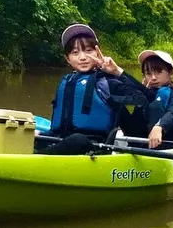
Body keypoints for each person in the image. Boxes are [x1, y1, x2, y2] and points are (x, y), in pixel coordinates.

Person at [37, 23, 148, 155]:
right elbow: (56, 129)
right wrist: (39, 135)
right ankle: (36, 155)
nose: (83, 57)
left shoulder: (107, 82)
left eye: (88, 51)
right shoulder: (67, 81)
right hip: (61, 141)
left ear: (98, 52)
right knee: (33, 135)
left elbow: (146, 97)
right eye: (75, 52)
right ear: (67, 59)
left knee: (78, 140)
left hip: (93, 146)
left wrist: (117, 71)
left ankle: (35, 158)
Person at [137, 49, 173, 149]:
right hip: (143, 142)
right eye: (148, 73)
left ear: (170, 73)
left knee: (156, 105)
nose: (153, 77)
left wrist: (160, 126)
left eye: (159, 72)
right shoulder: (145, 94)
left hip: (170, 142)